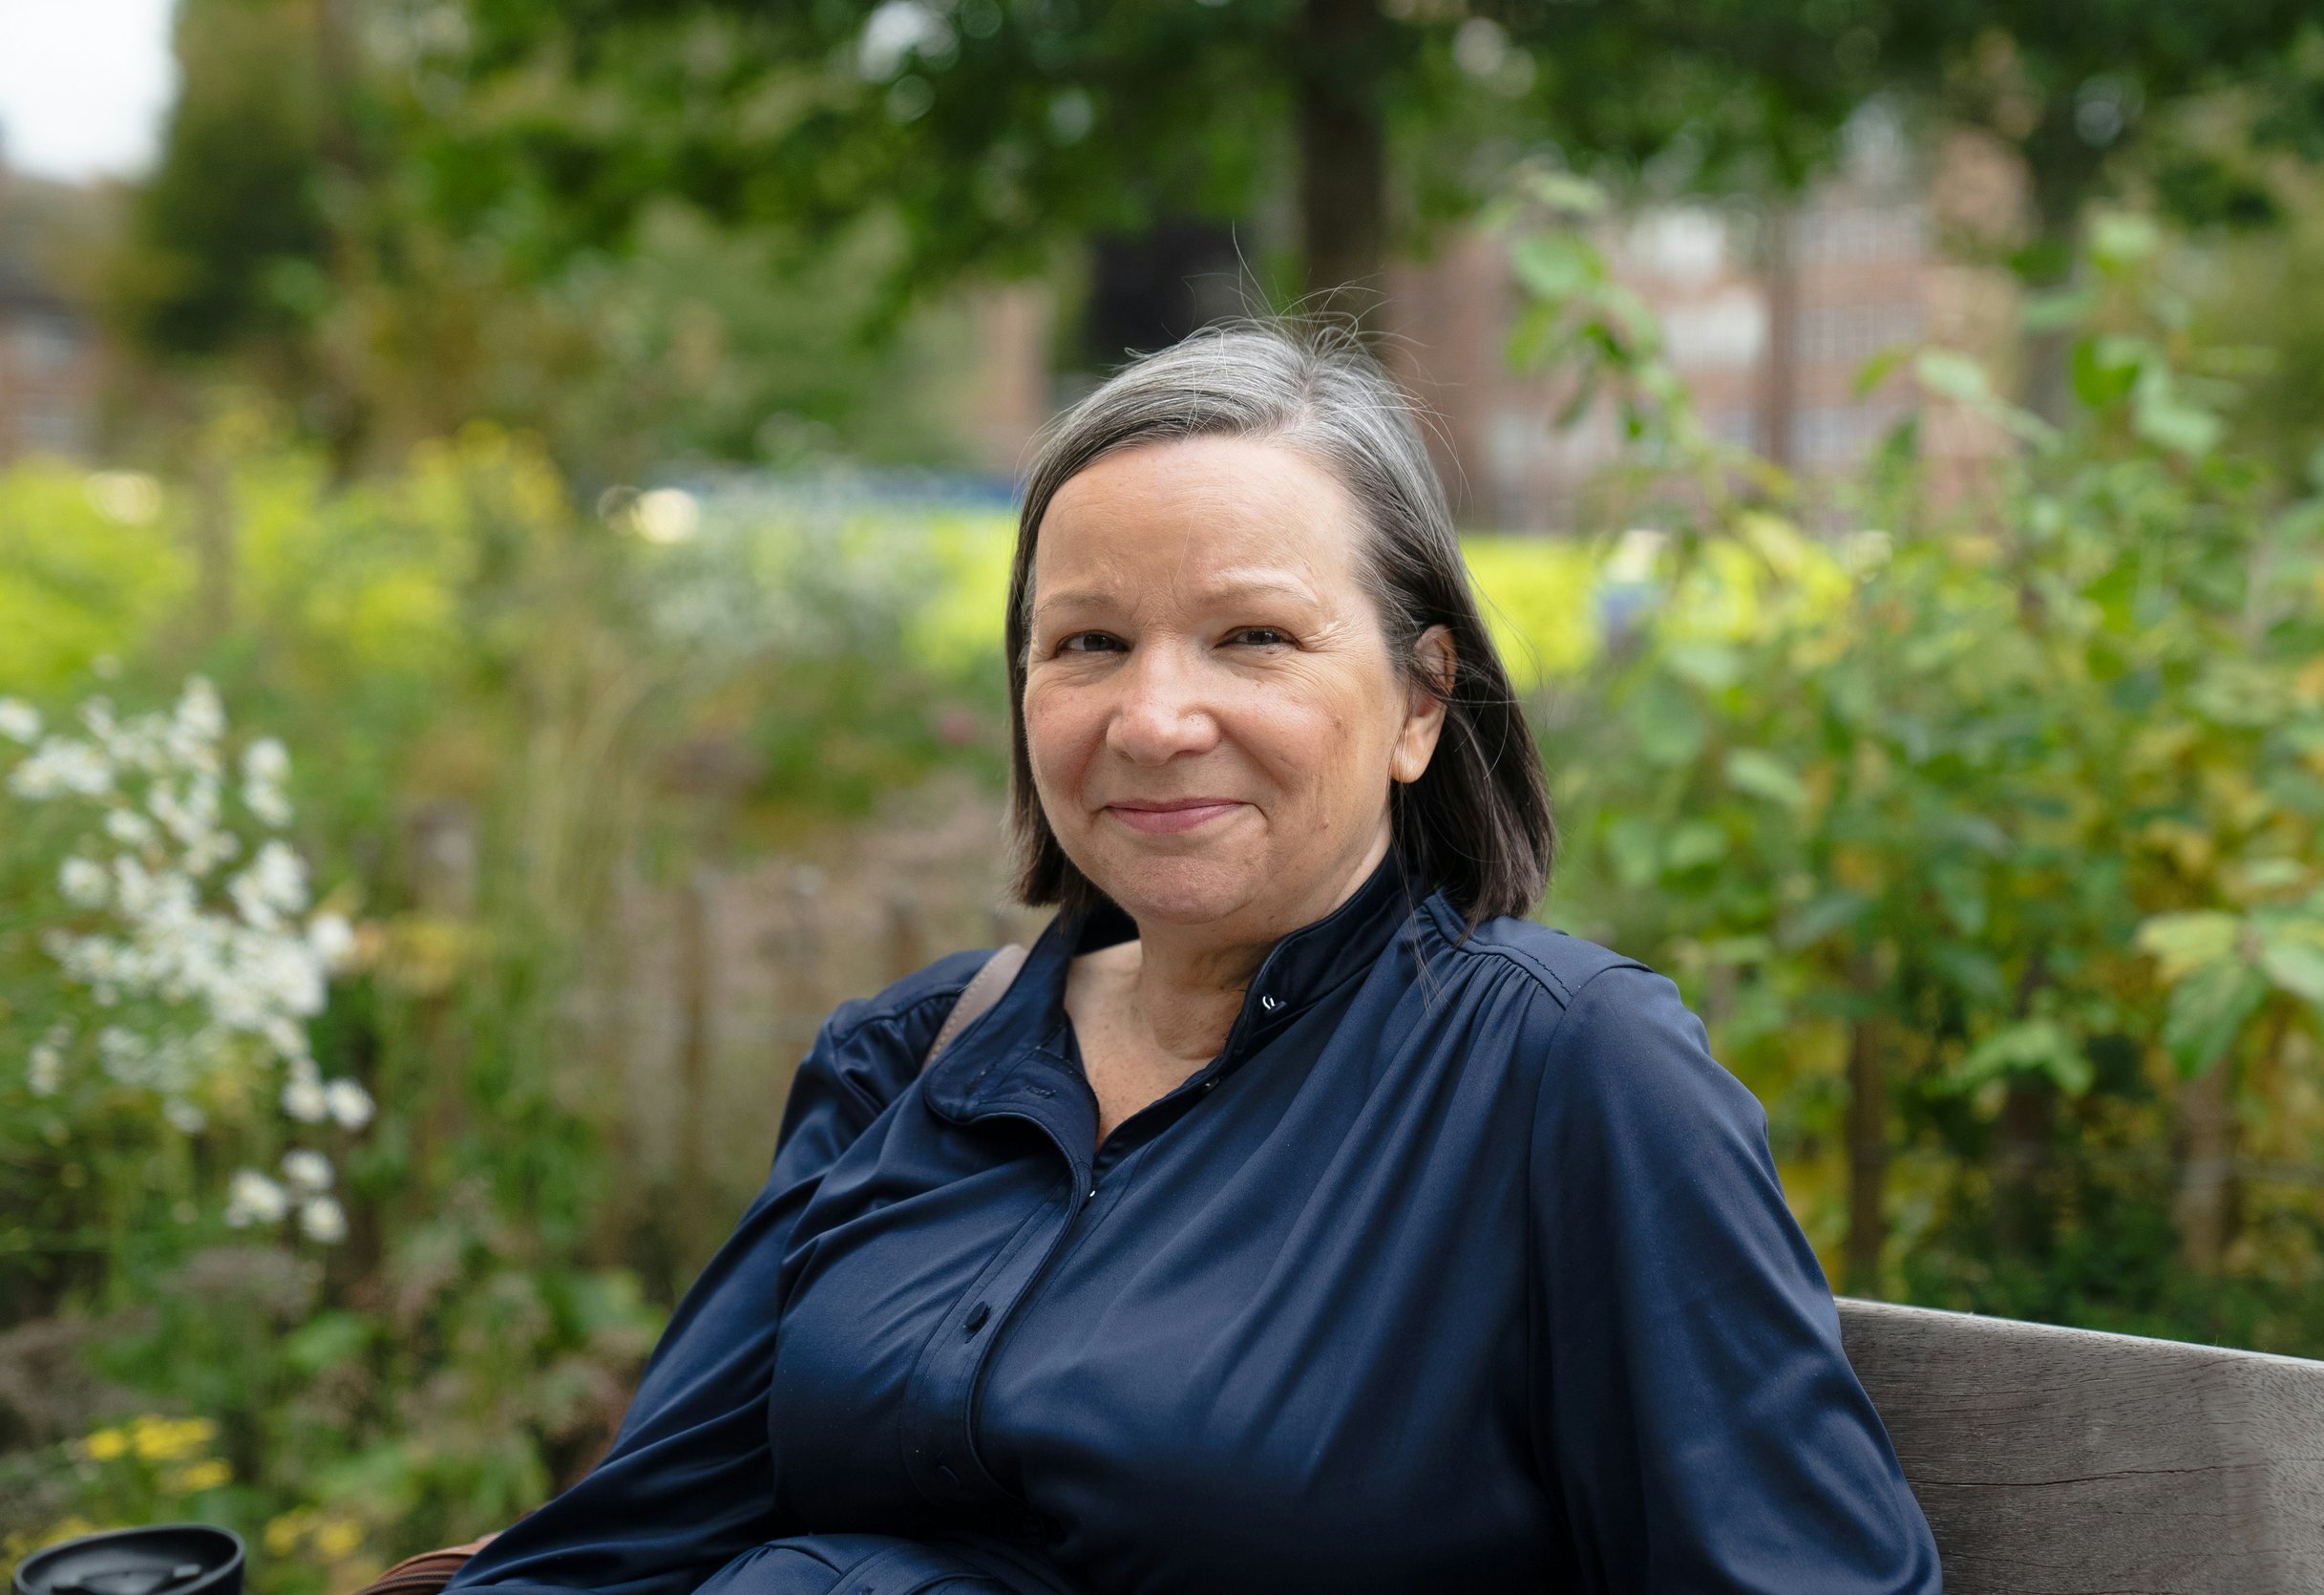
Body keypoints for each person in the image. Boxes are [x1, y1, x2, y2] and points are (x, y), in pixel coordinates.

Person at [445, 320, 1942, 1595]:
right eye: (1087, 643)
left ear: (1423, 701)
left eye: (1253, 638)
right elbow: (628, 1546)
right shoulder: (910, 1059)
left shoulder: (1567, 1077)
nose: (1154, 718)